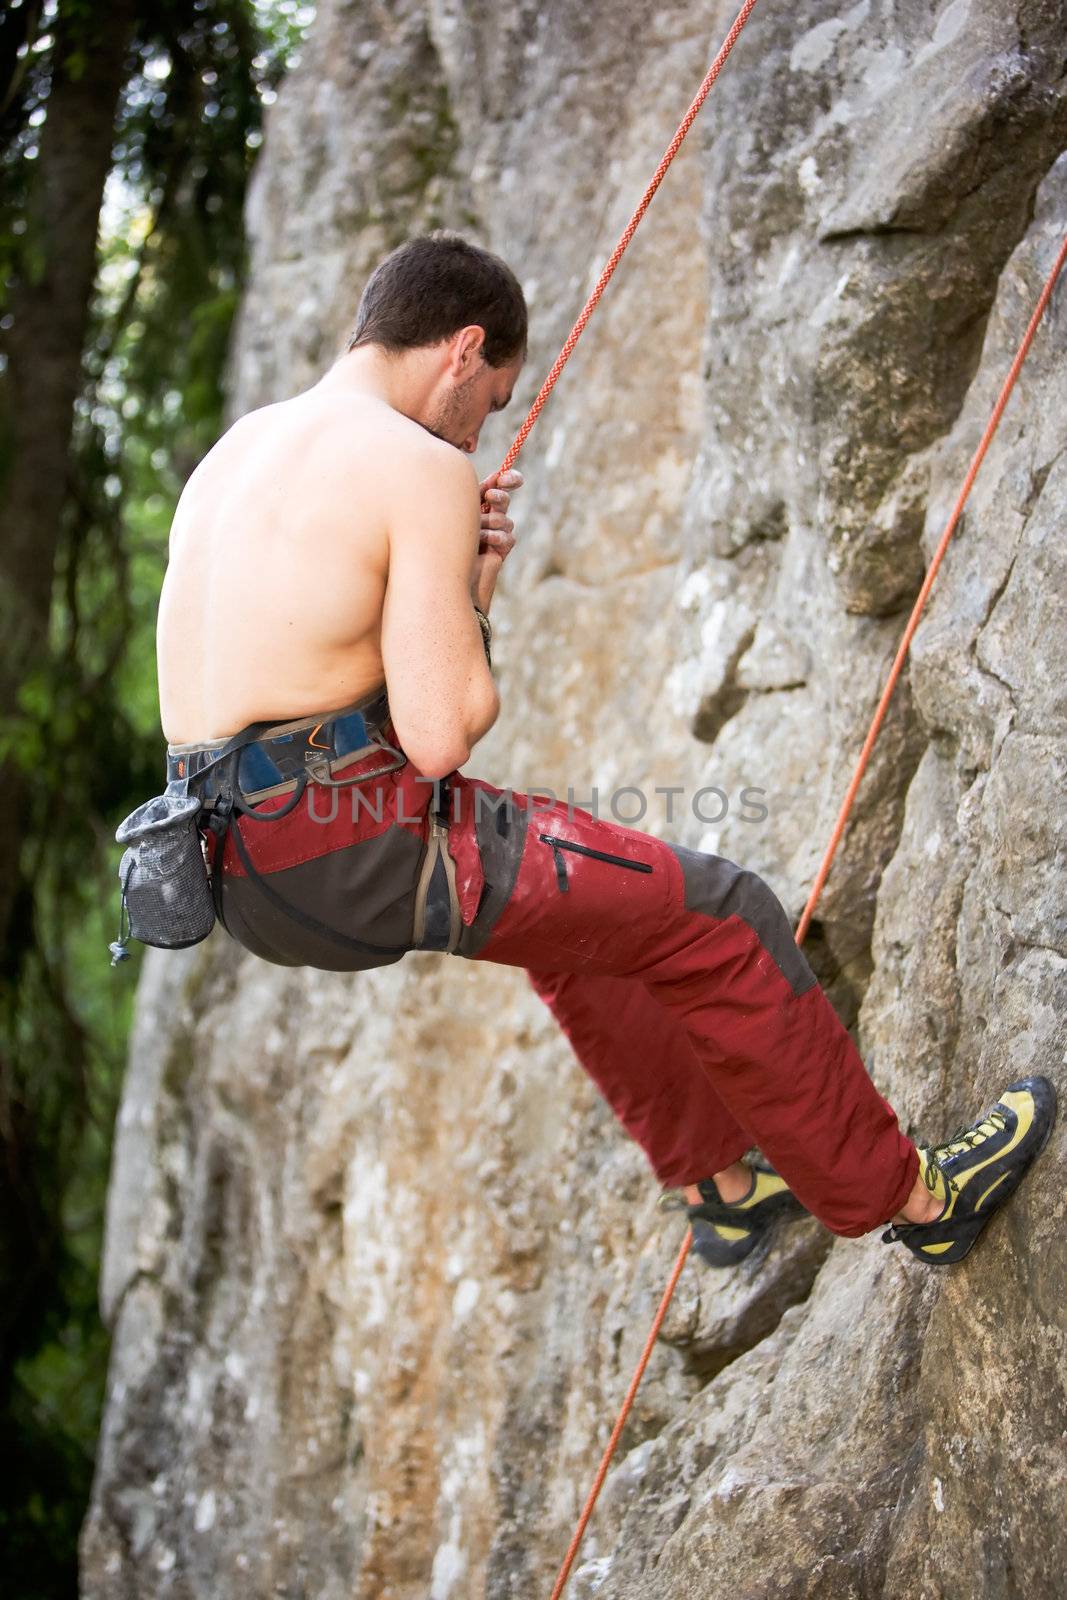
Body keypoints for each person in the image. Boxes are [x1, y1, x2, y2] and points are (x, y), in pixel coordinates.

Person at [156, 232, 1055, 1270]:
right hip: (351, 844)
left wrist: (466, 578)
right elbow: (441, 734)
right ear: (462, 349)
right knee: (721, 913)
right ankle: (910, 1195)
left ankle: (723, 1186)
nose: (477, 426)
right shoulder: (414, 463)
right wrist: (458, 556)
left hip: (232, 871)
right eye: (489, 399)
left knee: (584, 924)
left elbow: (326, 693)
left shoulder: (235, 457)